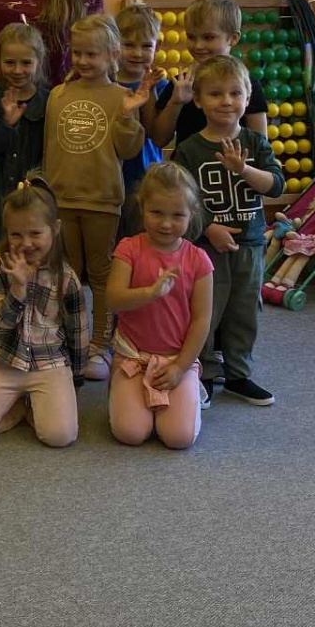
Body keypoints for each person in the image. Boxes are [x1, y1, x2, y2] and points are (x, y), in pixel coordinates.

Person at [170, 55, 283, 408]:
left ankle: (238, 374)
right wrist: (209, 228)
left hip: (250, 245)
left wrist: (244, 169)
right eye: (216, 93)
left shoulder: (256, 142)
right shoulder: (189, 149)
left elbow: (276, 185)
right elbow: (180, 200)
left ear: (247, 99)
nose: (226, 101)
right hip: (207, 249)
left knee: (244, 311)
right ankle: (201, 373)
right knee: (206, 311)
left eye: (235, 93)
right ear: (198, 100)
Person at [45, 14, 150, 377]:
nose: (83, 60)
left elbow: (128, 149)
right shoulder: (58, 95)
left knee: (102, 273)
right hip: (62, 200)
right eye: (77, 53)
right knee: (67, 273)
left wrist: (128, 117)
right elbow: (50, 148)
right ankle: (71, 337)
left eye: (92, 54)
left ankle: (101, 345)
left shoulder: (123, 96)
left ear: (112, 55)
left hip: (102, 201)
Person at [0, 181, 91, 448]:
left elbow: (78, 332)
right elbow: (0, 325)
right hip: (6, 359)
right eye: (16, 235)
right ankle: (18, 408)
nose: (26, 243)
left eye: (35, 233)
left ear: (55, 229)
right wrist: (18, 289)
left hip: (50, 362)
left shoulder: (66, 277)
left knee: (60, 436)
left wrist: (76, 380)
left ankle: (33, 404)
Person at [105, 166, 214, 450]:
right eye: (156, 213)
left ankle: (187, 391)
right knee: (131, 433)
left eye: (177, 215)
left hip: (178, 359)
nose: (166, 224)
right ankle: (125, 394)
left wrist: (180, 367)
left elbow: (202, 320)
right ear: (141, 207)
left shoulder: (198, 260)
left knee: (178, 438)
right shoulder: (128, 249)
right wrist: (150, 293)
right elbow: (113, 300)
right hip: (132, 357)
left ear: (192, 213)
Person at [145, 0, 269, 148]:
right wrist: (175, 102)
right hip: (189, 163)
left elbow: (261, 147)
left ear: (233, 38)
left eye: (208, 37)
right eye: (191, 37)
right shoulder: (180, 83)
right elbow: (159, 140)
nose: (198, 45)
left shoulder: (248, 85)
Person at [0, 21, 49, 219]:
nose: (17, 70)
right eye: (9, 62)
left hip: (36, 198)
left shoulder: (50, 101)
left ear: (39, 62)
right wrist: (6, 124)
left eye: (26, 63)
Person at [113, 2, 165, 241]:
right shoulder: (105, 83)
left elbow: (157, 132)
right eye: (128, 45)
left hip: (145, 176)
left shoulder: (161, 86)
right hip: (111, 177)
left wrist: (150, 92)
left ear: (157, 47)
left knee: (141, 239)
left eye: (146, 46)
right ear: (114, 44)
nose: (137, 53)